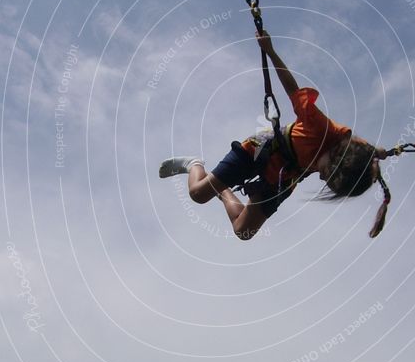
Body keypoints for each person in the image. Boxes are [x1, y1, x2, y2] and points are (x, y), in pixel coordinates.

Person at [159, 30, 391, 240]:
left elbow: (365, 151)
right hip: (262, 150)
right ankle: (194, 164)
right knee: (198, 194)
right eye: (327, 175)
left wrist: (377, 151)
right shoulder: (321, 127)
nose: (321, 178)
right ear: (338, 157)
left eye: (326, 181)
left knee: (244, 231)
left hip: (283, 177)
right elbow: (293, 89)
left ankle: (223, 188)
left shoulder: (354, 153)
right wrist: (270, 51)